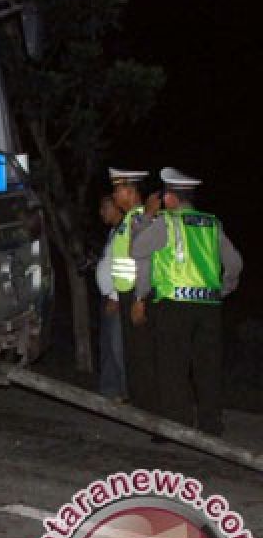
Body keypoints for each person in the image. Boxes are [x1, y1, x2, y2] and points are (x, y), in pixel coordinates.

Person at [130, 167, 243, 435]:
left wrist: (146, 215)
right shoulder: (212, 224)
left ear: (169, 199)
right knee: (208, 367)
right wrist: (221, 289)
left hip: (174, 305)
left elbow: (137, 249)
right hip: (209, 307)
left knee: (172, 367)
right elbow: (235, 263)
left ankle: (174, 427)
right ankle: (211, 425)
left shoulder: (167, 223)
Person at [107, 167, 156, 410]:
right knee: (133, 354)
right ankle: (140, 403)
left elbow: (144, 260)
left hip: (138, 294)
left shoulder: (139, 219)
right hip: (127, 294)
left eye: (118, 190)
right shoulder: (129, 220)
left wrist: (140, 298)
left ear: (131, 191)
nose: (115, 196)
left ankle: (148, 407)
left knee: (141, 354)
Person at [95, 194, 127, 401]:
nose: (101, 212)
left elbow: (125, 264)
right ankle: (109, 391)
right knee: (107, 345)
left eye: (105, 207)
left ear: (117, 209)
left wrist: (115, 296)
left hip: (117, 297)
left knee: (117, 346)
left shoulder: (125, 231)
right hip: (107, 296)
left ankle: (125, 392)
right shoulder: (113, 232)